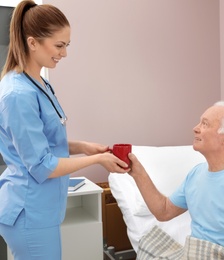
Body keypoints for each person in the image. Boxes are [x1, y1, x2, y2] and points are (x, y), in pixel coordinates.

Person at [0, 1, 129, 259]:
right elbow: (41, 165)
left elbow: (46, 140)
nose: (64, 53)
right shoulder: (17, 94)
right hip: (29, 211)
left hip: (43, 209)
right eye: (59, 45)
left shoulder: (41, 83)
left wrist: (83, 147)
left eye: (66, 45)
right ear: (33, 42)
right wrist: (98, 159)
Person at [128, 101, 224, 259]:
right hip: (196, 254)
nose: (195, 128)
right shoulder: (196, 174)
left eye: (205, 124)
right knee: (150, 245)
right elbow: (164, 211)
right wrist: (138, 173)